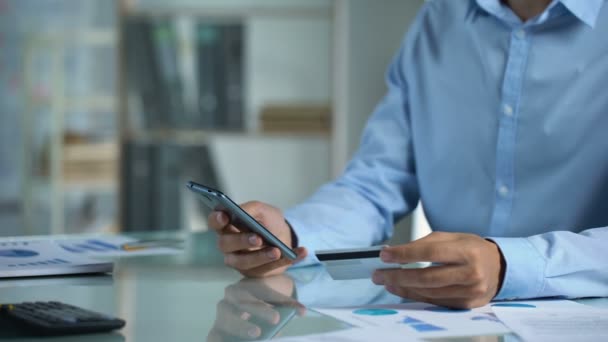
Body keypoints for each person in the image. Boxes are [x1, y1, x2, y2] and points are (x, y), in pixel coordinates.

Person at [208, 0, 608, 309]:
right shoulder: (440, 17)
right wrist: (290, 236)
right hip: (452, 323)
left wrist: (509, 265)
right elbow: (375, 182)